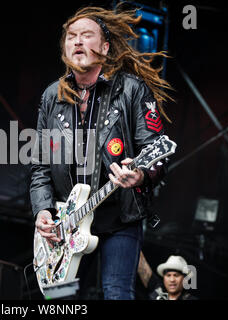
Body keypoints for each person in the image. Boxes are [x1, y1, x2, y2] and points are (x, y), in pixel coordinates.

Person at [30, 5, 174, 300]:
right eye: (71, 36)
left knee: (117, 293)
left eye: (86, 35)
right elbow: (41, 166)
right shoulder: (51, 97)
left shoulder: (132, 89)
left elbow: (156, 152)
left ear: (105, 47)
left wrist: (141, 174)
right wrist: (43, 210)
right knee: (60, 299)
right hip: (68, 223)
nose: (78, 41)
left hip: (119, 217)